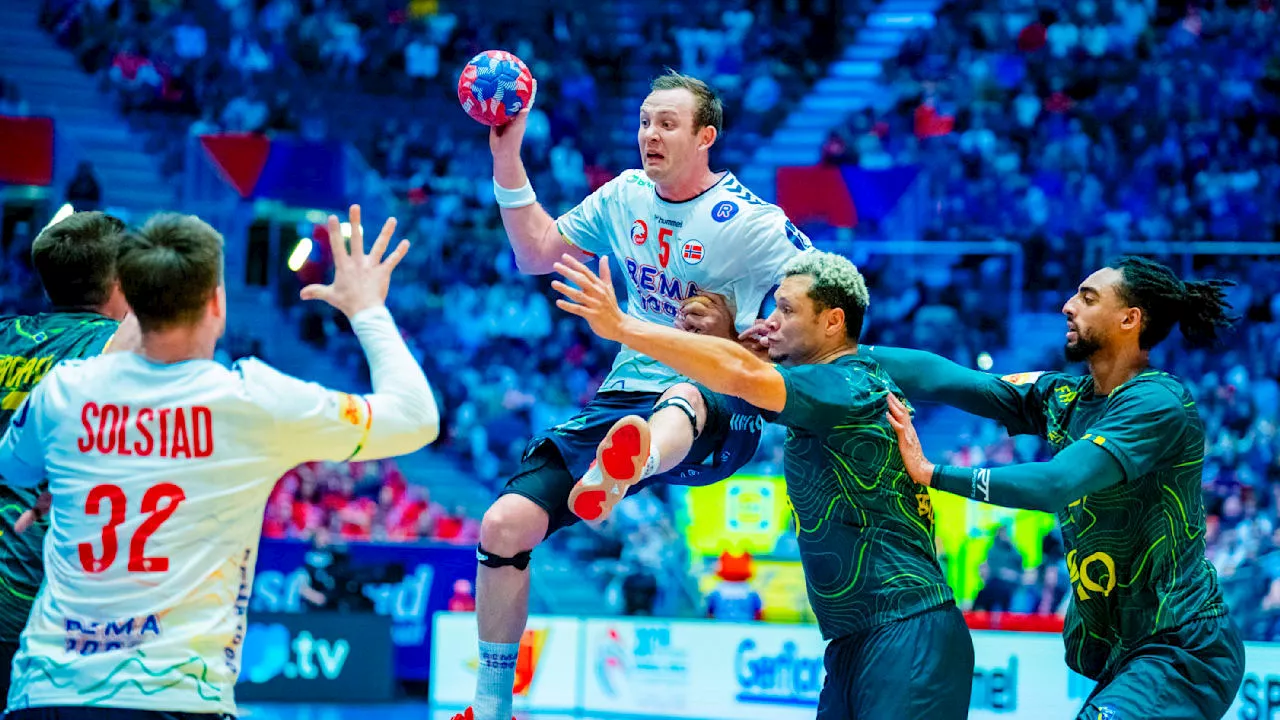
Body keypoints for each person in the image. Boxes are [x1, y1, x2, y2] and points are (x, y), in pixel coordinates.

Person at [464, 70, 811, 720]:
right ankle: (489, 708)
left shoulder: (750, 222)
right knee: (503, 525)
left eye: (667, 123)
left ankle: (631, 463)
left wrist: (757, 333)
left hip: (717, 403)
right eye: (645, 120)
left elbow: (827, 293)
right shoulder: (625, 195)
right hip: (626, 396)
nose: (650, 133)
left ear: (706, 136)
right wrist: (506, 156)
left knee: (689, 387)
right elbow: (536, 252)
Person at [0, 206, 440, 718]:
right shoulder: (251, 400)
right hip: (174, 697)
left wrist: (65, 476)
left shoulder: (64, 391)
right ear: (216, 303)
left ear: (133, 301)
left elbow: (12, 471)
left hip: (47, 692)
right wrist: (367, 309)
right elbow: (416, 416)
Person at [553, 250, 973, 719]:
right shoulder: (823, 385)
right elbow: (741, 378)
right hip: (855, 639)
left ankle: (647, 457)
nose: (771, 321)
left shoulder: (843, 383)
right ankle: (644, 457)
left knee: (702, 393)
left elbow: (742, 375)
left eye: (786, 310)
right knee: (697, 394)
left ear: (833, 322)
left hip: (906, 631)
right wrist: (729, 336)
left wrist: (623, 328)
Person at [876, 256, 1246, 720]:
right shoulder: (1063, 397)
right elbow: (952, 381)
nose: (1068, 306)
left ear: (1130, 319)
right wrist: (841, 356)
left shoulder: (1157, 401)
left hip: (1183, 647)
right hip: (1126, 652)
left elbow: (1054, 484)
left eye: (1088, 298)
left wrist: (932, 473)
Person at [0, 211, 137, 707]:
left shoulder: (4, 335)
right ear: (124, 279)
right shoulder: (113, 349)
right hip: (49, 605)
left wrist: (55, 251)